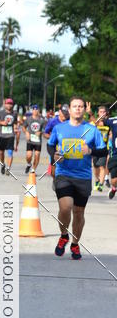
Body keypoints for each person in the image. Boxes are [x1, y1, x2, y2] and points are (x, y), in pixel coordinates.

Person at [49, 95, 107, 260]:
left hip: (83, 176)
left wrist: (90, 151)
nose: (78, 109)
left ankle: (75, 243)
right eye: (75, 106)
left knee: (79, 213)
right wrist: (54, 155)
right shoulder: (59, 128)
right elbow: (50, 144)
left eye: (81, 106)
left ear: (84, 109)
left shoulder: (92, 129)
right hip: (63, 174)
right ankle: (63, 235)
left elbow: (103, 151)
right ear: (70, 108)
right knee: (65, 207)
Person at [0, 97, 20, 175]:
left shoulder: (15, 113)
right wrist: (2, 123)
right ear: (5, 105)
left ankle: (8, 168)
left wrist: (16, 128)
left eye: (11, 104)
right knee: (1, 152)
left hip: (11, 135)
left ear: (12, 105)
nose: (9, 105)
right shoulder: (1, 113)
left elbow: (16, 122)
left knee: (10, 152)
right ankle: (3, 164)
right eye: (8, 103)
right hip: (2, 135)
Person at [88, 104, 111, 192]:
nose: (102, 113)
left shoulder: (108, 123)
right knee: (96, 167)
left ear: (106, 113)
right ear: (97, 113)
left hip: (104, 148)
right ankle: (97, 180)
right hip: (95, 148)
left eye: (103, 112)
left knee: (102, 166)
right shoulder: (92, 123)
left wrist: (90, 114)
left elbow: (100, 124)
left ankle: (101, 184)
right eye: (100, 112)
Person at [43, 104, 69, 178]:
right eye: (63, 113)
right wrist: (52, 137)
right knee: (55, 160)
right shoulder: (53, 121)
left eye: (66, 113)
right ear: (60, 112)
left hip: (65, 145)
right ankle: (55, 178)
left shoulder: (70, 121)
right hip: (53, 145)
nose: (65, 115)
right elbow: (45, 133)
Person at [22, 105, 44, 174]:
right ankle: (29, 164)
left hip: (38, 141)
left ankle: (33, 169)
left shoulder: (42, 120)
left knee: (37, 155)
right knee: (29, 155)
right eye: (34, 109)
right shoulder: (28, 119)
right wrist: (26, 133)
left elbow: (46, 129)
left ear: (39, 111)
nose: (35, 111)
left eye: (37, 109)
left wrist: (40, 132)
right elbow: (23, 127)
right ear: (32, 111)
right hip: (30, 140)